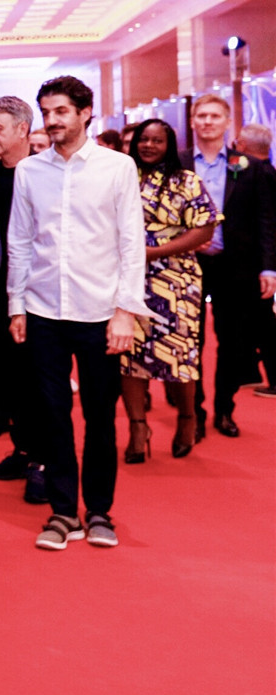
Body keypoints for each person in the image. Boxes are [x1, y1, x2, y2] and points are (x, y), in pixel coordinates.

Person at [8, 76, 149, 551]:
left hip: (99, 312)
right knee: (51, 415)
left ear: (86, 113)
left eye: (61, 111)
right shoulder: (29, 171)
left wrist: (125, 311)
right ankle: (63, 512)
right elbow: (19, 241)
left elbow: (131, 243)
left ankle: (100, 511)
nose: (51, 121)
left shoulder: (118, 167)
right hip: (43, 310)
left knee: (99, 416)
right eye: (46, 112)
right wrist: (16, 305)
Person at [119, 119, 219, 461]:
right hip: (128, 278)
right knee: (129, 356)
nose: (148, 145)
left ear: (169, 145)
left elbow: (205, 229)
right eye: (143, 139)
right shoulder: (123, 176)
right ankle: (138, 428)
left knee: (180, 356)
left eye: (157, 140)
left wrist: (155, 252)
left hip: (177, 280)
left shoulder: (187, 180)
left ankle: (188, 419)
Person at [180, 95, 276, 437]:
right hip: (187, 265)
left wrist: (269, 268)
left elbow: (265, 219)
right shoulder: (178, 163)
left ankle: (224, 409)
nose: (207, 121)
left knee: (233, 343)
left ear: (226, 122)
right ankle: (194, 412)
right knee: (190, 343)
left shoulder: (248, 166)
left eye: (214, 116)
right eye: (202, 115)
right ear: (193, 121)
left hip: (236, 266)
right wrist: (187, 238)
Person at [0, 96, 47, 504]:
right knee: (5, 380)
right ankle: (21, 449)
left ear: (22, 129)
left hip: (37, 297)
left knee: (37, 382)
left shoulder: (45, 175)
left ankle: (43, 461)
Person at [232, 124, 276, 398]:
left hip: (258, 260)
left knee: (263, 321)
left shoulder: (260, 174)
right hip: (256, 259)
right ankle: (248, 370)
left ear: (243, 146)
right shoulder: (264, 171)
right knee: (250, 318)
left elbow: (266, 222)